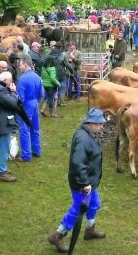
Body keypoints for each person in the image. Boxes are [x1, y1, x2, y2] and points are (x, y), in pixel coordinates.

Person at [48, 108, 107, 252]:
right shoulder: (83, 139)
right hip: (83, 184)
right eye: (99, 124)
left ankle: (89, 230)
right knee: (77, 210)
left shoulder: (90, 134)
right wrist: (84, 183)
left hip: (90, 182)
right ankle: (57, 235)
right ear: (91, 123)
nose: (102, 126)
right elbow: (77, 163)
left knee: (94, 205)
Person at [16, 58, 43, 162]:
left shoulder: (22, 79)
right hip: (35, 104)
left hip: (26, 105)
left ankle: (26, 155)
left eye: (20, 65)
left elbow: (20, 98)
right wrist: (37, 101)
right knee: (35, 128)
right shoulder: (37, 76)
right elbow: (41, 93)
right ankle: (37, 151)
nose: (19, 67)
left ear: (26, 65)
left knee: (24, 129)